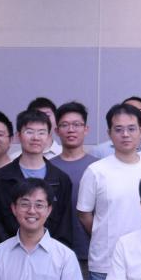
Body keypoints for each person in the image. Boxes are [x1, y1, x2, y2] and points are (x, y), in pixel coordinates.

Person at [77, 104, 141, 280]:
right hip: (104, 264)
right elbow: (84, 213)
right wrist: (102, 234)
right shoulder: (96, 171)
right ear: (109, 133)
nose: (125, 134)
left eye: (131, 128)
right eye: (118, 129)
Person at [0, 109, 74, 249]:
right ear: (18, 136)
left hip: (50, 254)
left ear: (49, 137)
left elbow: (65, 225)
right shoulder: (0, 177)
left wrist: (51, 251)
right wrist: (13, 248)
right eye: (29, 132)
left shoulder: (61, 179)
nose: (36, 138)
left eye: (41, 132)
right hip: (9, 252)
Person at [52, 101, 96, 270]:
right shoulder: (47, 168)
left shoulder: (98, 167)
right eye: (65, 125)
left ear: (86, 129)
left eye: (77, 125)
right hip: (54, 253)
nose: (71, 130)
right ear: (56, 131)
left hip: (89, 253)